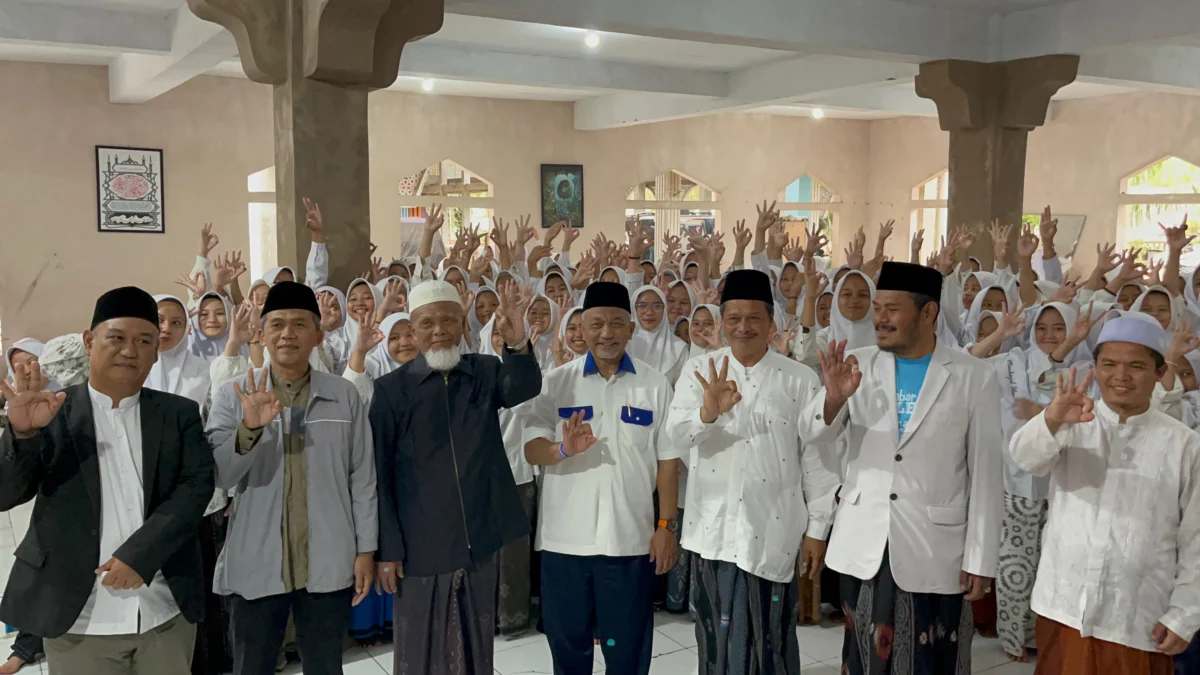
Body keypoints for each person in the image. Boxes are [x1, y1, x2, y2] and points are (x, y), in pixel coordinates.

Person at [0, 286, 216, 675]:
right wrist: (22, 435)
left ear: (155, 350)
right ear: (89, 341)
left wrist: (140, 556)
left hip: (163, 613)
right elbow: (6, 494)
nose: (130, 351)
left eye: (144, 341)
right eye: (116, 337)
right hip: (80, 620)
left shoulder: (177, 413)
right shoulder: (52, 412)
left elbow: (195, 489)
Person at [803, 261, 1003, 675]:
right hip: (865, 540)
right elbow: (811, 434)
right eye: (877, 308)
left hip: (935, 547)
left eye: (892, 309)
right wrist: (833, 399)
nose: (879, 318)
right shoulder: (856, 364)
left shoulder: (973, 376)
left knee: (932, 660)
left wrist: (981, 558)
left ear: (928, 313)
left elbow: (986, 474)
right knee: (863, 658)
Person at [666, 269, 838, 675]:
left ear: (771, 322)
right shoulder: (700, 370)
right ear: (722, 322)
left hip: (773, 528)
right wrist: (709, 412)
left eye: (754, 318)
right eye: (734, 319)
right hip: (714, 531)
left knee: (769, 640)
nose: (743, 328)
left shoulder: (799, 378)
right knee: (713, 638)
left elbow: (817, 457)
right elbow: (676, 435)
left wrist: (817, 529)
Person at [1009, 315, 1200, 675]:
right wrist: (1051, 418)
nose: (1120, 376)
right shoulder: (1072, 421)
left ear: (1159, 373)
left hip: (1137, 614)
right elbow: (1024, 459)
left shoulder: (1185, 445)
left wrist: (1185, 613)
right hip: (1063, 605)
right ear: (1094, 368)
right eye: (1109, 365)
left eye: (1136, 366)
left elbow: (1197, 540)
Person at [371, 280, 542, 675]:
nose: (438, 331)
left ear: (462, 324)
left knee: (475, 644)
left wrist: (515, 346)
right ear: (412, 331)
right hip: (420, 546)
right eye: (427, 323)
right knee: (421, 646)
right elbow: (380, 473)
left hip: (479, 538)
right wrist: (389, 549)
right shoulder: (391, 391)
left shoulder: (483, 371)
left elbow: (523, 387)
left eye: (448, 320)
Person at [206, 281, 377, 675]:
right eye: (277, 324)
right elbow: (219, 473)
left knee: (325, 665)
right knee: (254, 665)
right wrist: (248, 429)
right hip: (257, 557)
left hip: (327, 554)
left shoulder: (343, 395)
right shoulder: (234, 394)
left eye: (300, 324)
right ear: (261, 334)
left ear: (317, 336)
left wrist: (365, 549)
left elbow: (362, 476)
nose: (288, 333)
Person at [523, 281, 681, 675]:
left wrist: (665, 526)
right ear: (581, 327)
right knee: (568, 647)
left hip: (630, 541)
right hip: (565, 544)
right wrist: (562, 450)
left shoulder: (654, 385)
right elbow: (530, 447)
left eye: (615, 323)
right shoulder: (556, 382)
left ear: (631, 328)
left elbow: (667, 462)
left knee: (627, 650)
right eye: (596, 324)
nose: (606, 333)